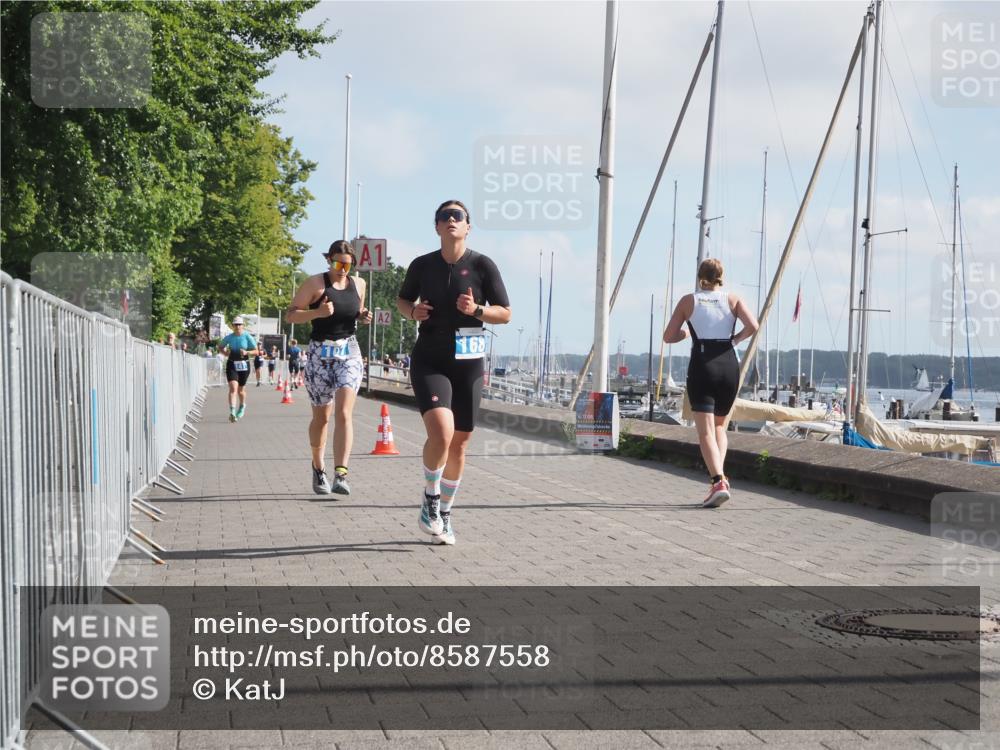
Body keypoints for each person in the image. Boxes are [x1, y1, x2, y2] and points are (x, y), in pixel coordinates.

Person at [397, 200, 511, 545]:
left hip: (469, 362)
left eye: (457, 216)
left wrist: (477, 309)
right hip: (430, 358)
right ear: (436, 227)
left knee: (460, 444)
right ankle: (430, 501)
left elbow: (505, 313)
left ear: (467, 226)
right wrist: (412, 312)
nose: (451, 220)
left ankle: (445, 513)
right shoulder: (422, 265)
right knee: (442, 432)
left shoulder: (482, 265)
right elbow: (403, 301)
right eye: (444, 216)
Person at [662, 258, 758, 508]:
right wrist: (734, 341)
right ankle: (720, 480)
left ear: (699, 276)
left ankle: (718, 481)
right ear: (721, 276)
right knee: (718, 429)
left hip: (703, 363)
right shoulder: (733, 299)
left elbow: (669, 336)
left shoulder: (688, 300)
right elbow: (753, 326)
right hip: (728, 363)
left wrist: (685, 333)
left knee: (704, 431)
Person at [286, 240, 372, 495]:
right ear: (329, 260)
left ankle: (341, 473)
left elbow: (355, 311)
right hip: (318, 353)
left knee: (344, 413)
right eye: (337, 263)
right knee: (321, 418)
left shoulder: (359, 284)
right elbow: (290, 315)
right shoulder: (315, 284)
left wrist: (362, 315)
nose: (342, 268)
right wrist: (318, 313)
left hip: (349, 351)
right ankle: (317, 466)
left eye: (347, 264)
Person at [220, 317, 259, 422]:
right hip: (232, 364)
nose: (237, 327)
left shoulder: (247, 336)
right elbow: (220, 346)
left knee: (241, 390)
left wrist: (247, 352)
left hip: (244, 365)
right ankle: (232, 412)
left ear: (243, 325)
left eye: (239, 324)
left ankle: (242, 406)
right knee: (233, 388)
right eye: (235, 325)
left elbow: (256, 351)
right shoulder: (229, 337)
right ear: (232, 326)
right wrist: (225, 353)